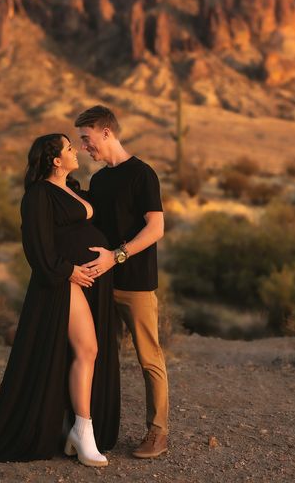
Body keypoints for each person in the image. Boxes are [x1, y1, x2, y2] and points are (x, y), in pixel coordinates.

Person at [0, 134, 120, 467]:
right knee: (88, 348)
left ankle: (71, 425)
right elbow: (36, 246)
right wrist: (67, 271)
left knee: (79, 352)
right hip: (64, 282)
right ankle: (83, 432)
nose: (75, 151)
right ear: (55, 160)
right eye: (68, 148)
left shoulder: (73, 188)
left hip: (90, 280)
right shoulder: (38, 195)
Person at [74, 106, 168, 459]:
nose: (85, 147)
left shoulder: (143, 175)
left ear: (107, 133)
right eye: (81, 141)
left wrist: (117, 255)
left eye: (87, 138)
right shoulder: (99, 180)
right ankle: (93, 428)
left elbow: (156, 228)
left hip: (136, 282)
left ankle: (157, 432)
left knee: (149, 358)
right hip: (98, 283)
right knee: (94, 355)